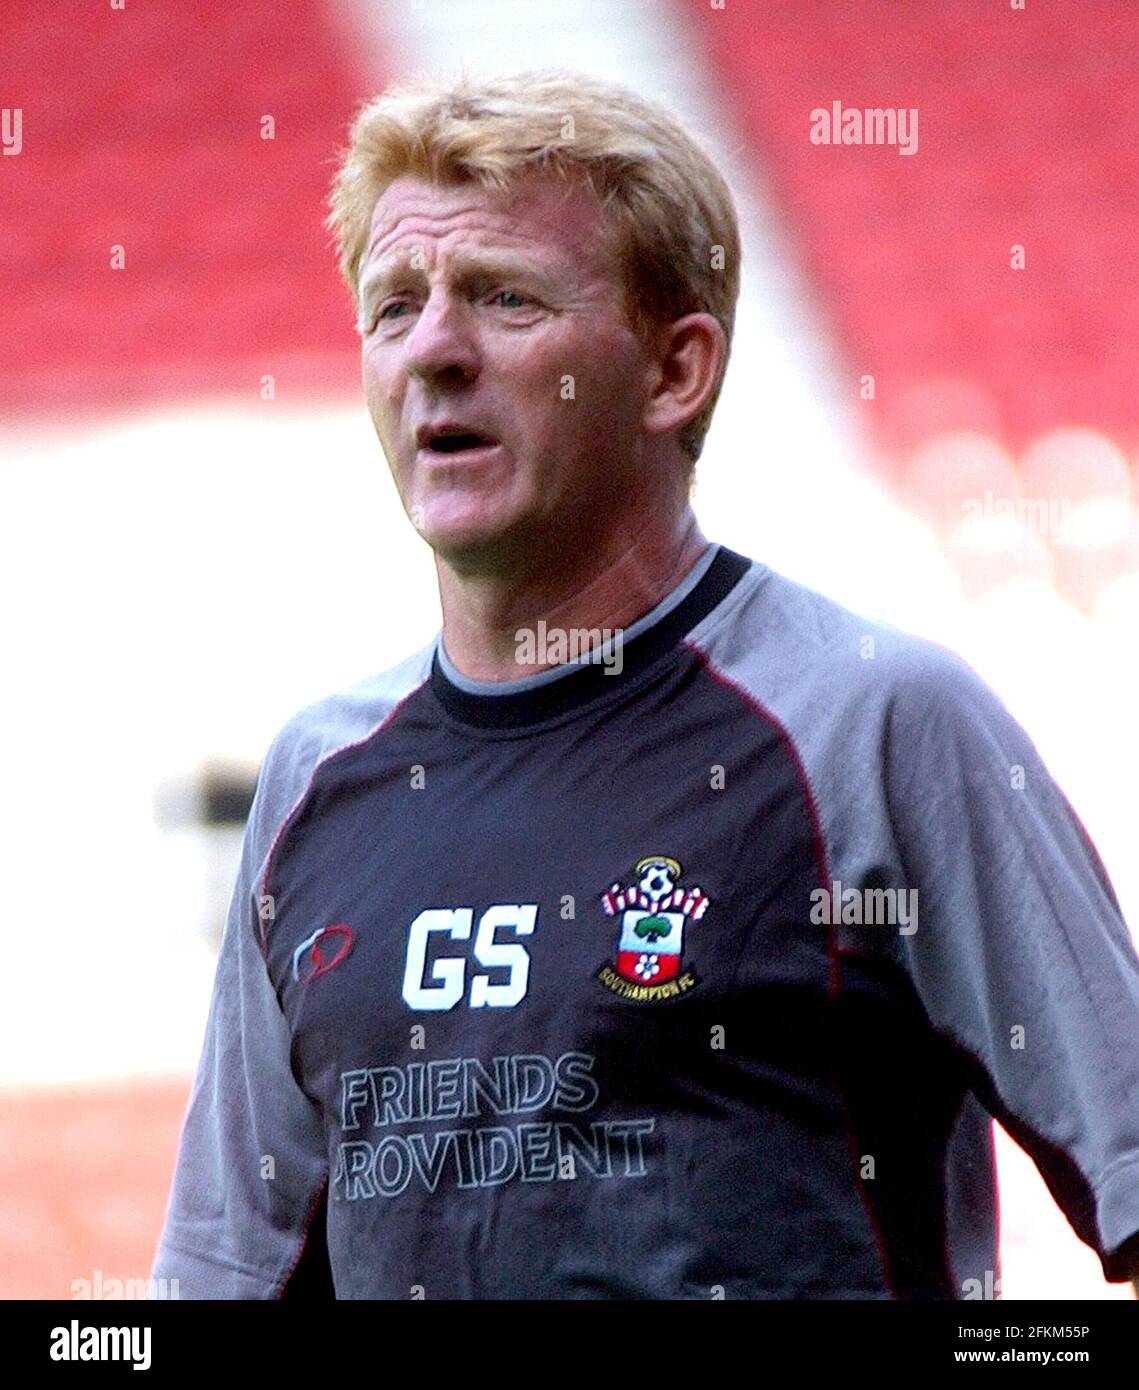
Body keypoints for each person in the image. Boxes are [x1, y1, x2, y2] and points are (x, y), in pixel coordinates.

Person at [152, 69, 1139, 1299]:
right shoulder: (315, 779)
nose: (433, 352)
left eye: (503, 298)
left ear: (674, 373)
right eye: (393, 306)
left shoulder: (878, 727)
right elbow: (218, 1287)